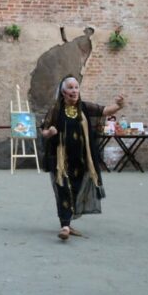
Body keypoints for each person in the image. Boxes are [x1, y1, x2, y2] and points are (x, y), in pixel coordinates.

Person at [40, 75, 125, 241]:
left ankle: (67, 221)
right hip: (60, 159)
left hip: (81, 159)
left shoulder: (84, 107)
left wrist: (119, 106)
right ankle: (64, 225)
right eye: (70, 88)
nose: (74, 91)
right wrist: (49, 132)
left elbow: (105, 110)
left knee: (76, 189)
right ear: (63, 92)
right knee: (63, 189)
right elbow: (43, 131)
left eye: (76, 87)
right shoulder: (55, 110)